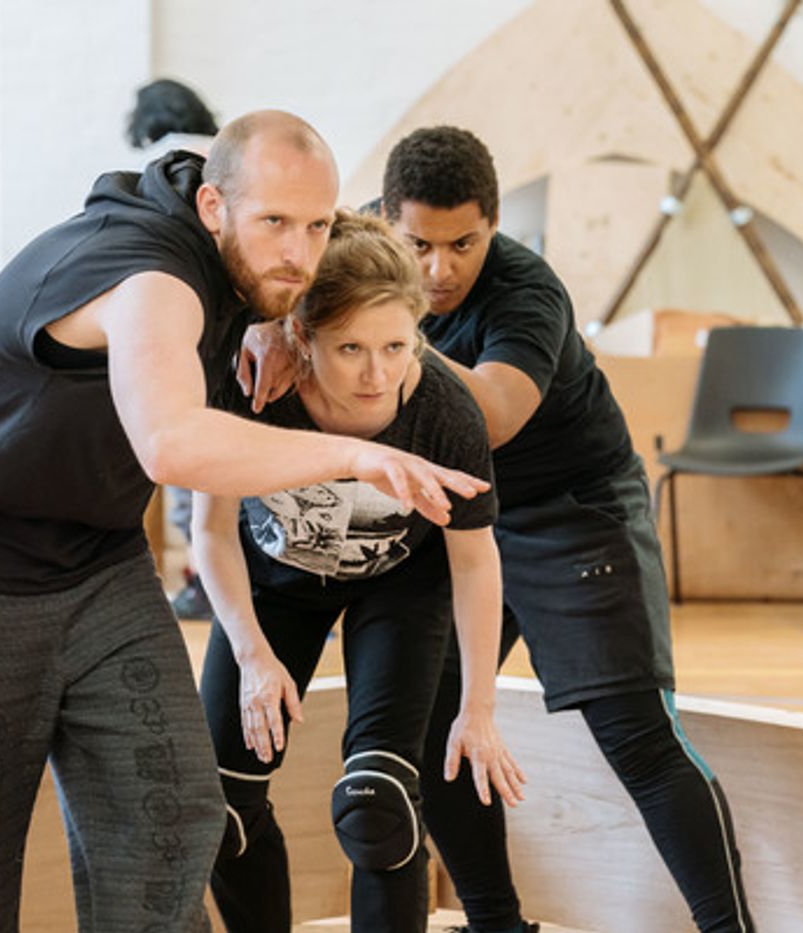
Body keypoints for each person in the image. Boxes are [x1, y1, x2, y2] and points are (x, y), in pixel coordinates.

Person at [0, 111, 490, 933]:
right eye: (275, 223)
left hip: (97, 561)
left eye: (316, 226)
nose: (299, 252)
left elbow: (290, 260)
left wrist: (274, 318)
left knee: (173, 821)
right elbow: (170, 442)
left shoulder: (233, 252)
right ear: (215, 207)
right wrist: (354, 455)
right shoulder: (150, 276)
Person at [242, 126, 754, 933]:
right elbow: (267, 282)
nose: (439, 269)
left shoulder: (525, 291)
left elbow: (497, 414)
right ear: (385, 216)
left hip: (567, 509)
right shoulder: (348, 249)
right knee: (435, 731)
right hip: (446, 518)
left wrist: (385, 325)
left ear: (495, 223)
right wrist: (274, 322)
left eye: (464, 244)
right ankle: (495, 924)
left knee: (636, 735)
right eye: (417, 245)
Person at [197, 211, 525, 933]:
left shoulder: (444, 412)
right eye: (349, 348)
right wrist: (252, 655)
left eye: (395, 347)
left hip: (400, 588)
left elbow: (475, 561)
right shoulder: (254, 388)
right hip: (274, 584)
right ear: (301, 336)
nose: (376, 374)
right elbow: (211, 532)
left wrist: (478, 708)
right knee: (221, 810)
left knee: (379, 806)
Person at [125, 77, 220, 619]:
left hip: (183, 324)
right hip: (228, 323)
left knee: (188, 474)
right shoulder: (226, 152)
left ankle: (204, 584)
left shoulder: (158, 165)